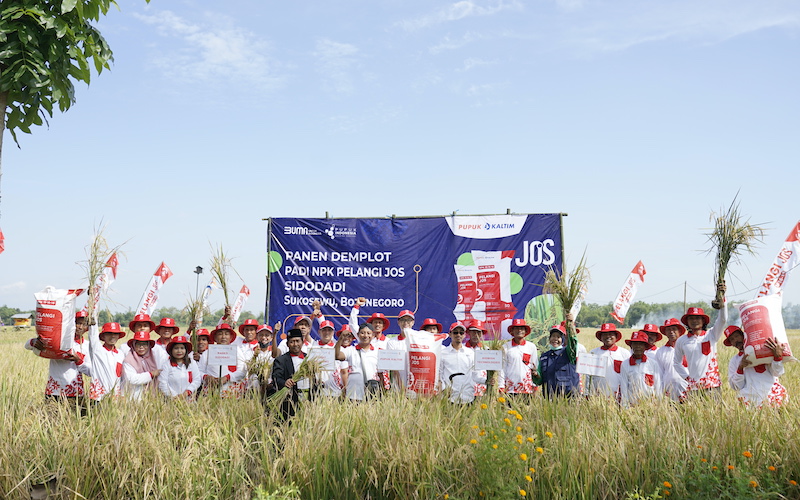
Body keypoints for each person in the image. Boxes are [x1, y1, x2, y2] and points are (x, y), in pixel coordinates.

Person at [673, 284, 728, 401]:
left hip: (712, 386)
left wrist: (723, 297)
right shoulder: (682, 341)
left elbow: (723, 319)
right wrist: (687, 378)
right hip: (693, 388)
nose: (694, 321)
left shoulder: (711, 335)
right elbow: (676, 363)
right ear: (686, 322)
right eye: (691, 318)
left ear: (703, 321)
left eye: (697, 318)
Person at [24, 310, 92, 403]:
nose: (80, 327)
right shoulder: (58, 341)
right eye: (78, 323)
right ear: (72, 324)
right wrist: (35, 342)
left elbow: (90, 371)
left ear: (87, 328)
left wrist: (78, 361)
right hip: (53, 391)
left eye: (84, 324)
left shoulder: (87, 346)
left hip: (75, 393)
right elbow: (27, 345)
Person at [723, 326, 788, 408]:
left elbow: (778, 373)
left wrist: (777, 357)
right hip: (751, 401)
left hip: (772, 395)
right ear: (731, 344)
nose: (735, 340)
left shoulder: (764, 350)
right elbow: (736, 386)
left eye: (737, 336)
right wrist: (740, 368)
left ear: (743, 335)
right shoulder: (734, 361)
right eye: (732, 339)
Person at [532, 318, 580, 399]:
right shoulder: (544, 357)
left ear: (563, 339)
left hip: (568, 398)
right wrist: (536, 375)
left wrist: (571, 326)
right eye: (553, 336)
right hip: (550, 399)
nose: (555, 339)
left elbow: (573, 343)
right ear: (549, 339)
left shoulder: (568, 353)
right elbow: (539, 381)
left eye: (558, 337)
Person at [439, 321, 485, 404]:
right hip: (449, 398)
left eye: (461, 333)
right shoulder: (443, 353)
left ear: (464, 335)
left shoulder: (471, 353)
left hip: (468, 397)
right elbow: (439, 375)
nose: (458, 335)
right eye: (455, 332)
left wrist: (488, 380)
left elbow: (476, 375)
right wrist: (443, 389)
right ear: (450, 334)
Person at [271, 328, 310, 420]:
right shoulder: (281, 360)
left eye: (297, 341)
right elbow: (276, 377)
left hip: (308, 399)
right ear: (287, 344)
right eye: (292, 342)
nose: (295, 344)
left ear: (303, 342)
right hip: (289, 400)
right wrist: (285, 382)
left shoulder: (309, 358)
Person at [335, 322, 380, 402]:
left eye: (368, 333)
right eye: (362, 333)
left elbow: (382, 372)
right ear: (358, 335)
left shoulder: (377, 352)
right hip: (354, 393)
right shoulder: (351, 350)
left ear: (373, 336)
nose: (365, 336)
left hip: (371, 394)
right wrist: (341, 338)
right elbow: (337, 355)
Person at [199, 323, 246, 398]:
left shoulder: (237, 351)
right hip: (211, 391)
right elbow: (199, 371)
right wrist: (206, 377)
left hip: (231, 392)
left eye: (226, 334)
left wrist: (227, 377)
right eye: (220, 334)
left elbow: (242, 371)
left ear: (231, 337)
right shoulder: (207, 353)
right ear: (215, 337)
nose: (223, 337)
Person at [586, 323, 630, 401]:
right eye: (605, 334)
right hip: (598, 395)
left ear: (616, 336)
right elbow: (588, 376)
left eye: (611, 334)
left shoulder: (624, 353)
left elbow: (629, 375)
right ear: (601, 337)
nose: (608, 337)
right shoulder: (593, 353)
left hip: (619, 395)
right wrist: (587, 393)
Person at [619, 330, 662, 407]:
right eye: (635, 344)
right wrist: (625, 406)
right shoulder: (625, 364)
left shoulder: (653, 363)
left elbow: (657, 384)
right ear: (631, 346)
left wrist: (659, 404)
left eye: (641, 344)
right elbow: (624, 386)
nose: (637, 347)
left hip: (650, 404)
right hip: (632, 405)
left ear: (645, 347)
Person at [87, 322, 126, 402]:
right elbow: (93, 336)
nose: (112, 336)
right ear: (103, 336)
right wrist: (93, 319)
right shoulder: (97, 350)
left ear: (118, 336)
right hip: (98, 397)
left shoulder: (121, 354)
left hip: (115, 399)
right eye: (109, 333)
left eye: (115, 334)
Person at [499, 318, 538, 396]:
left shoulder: (531, 346)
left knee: (526, 408)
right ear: (512, 331)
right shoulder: (505, 347)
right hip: (510, 389)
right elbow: (502, 368)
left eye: (522, 328)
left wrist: (535, 386)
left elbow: (534, 366)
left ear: (525, 331)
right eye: (516, 328)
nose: (519, 330)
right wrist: (501, 386)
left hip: (527, 388)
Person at [158, 335, 201, 400]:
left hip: (189, 400)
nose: (179, 351)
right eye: (176, 348)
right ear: (171, 350)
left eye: (182, 348)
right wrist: (174, 396)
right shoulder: (166, 365)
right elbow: (162, 382)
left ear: (186, 350)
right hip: (171, 400)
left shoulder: (192, 363)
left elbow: (197, 380)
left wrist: (187, 392)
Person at [122, 330, 163, 400]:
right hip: (134, 398)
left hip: (151, 397)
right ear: (134, 345)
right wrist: (151, 374)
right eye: (138, 344)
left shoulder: (153, 358)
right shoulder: (128, 360)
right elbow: (132, 379)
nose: (141, 347)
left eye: (144, 344)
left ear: (148, 345)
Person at [656, 318, 688, 401]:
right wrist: (660, 395)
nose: (671, 332)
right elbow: (659, 374)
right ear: (665, 333)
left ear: (679, 331)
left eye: (674, 329)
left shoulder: (688, 348)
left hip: (688, 390)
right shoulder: (661, 351)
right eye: (668, 330)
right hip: (669, 394)